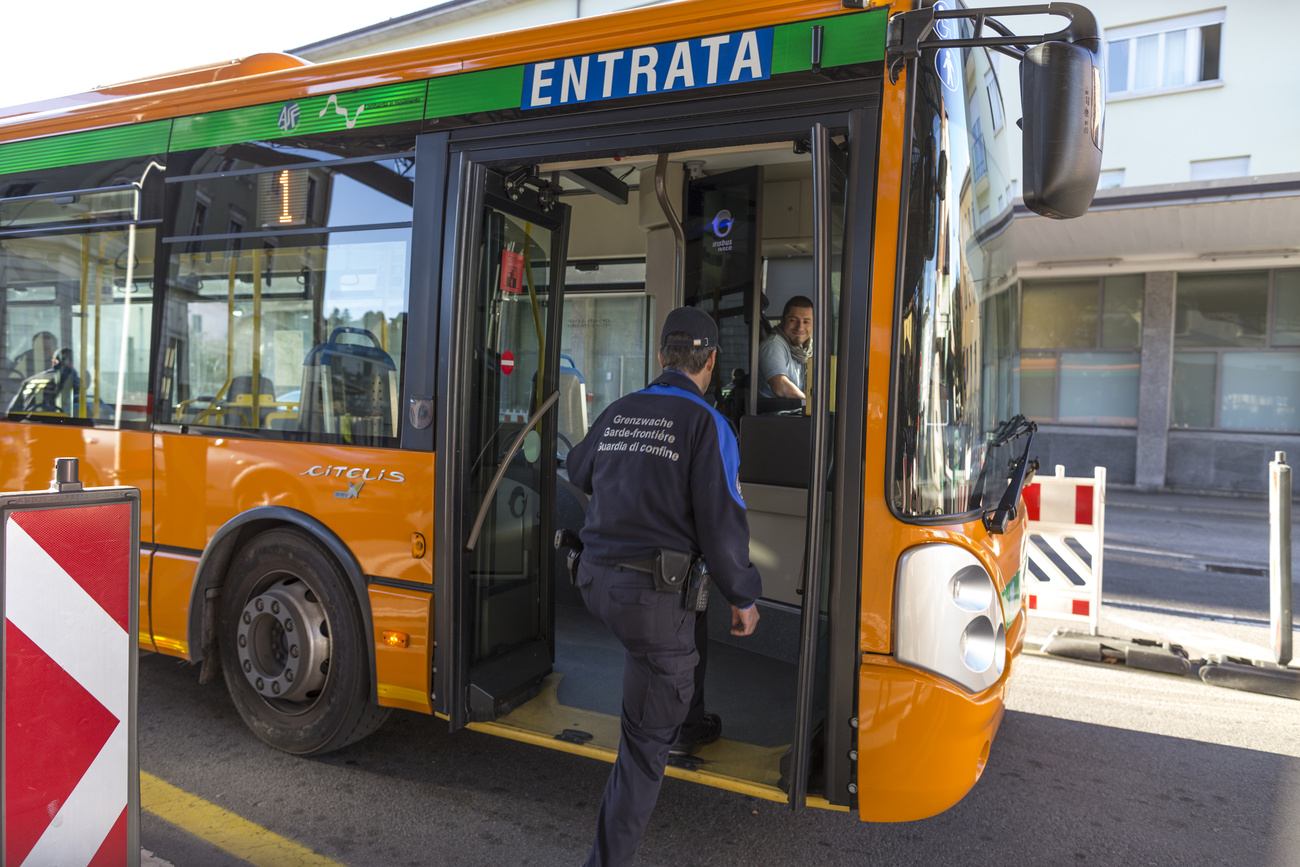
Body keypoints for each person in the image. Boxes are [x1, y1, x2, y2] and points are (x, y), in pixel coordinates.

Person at [567, 306, 762, 867]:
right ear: (711, 362)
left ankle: (690, 718)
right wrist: (744, 598)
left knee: (679, 621)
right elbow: (723, 529)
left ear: (660, 357)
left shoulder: (622, 409)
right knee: (644, 750)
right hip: (647, 600)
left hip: (595, 581)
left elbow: (578, 471)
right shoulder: (710, 426)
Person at [757, 295, 814, 401]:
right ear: (782, 320)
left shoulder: (808, 350)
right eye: (793, 320)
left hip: (795, 414)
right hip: (775, 416)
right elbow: (781, 387)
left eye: (806, 322)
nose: (800, 327)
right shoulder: (772, 345)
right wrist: (811, 406)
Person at [7, 347, 79, 415]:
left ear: (53, 362)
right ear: (73, 363)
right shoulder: (73, 381)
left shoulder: (30, 381)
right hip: (59, 425)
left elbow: (12, 413)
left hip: (28, 425)